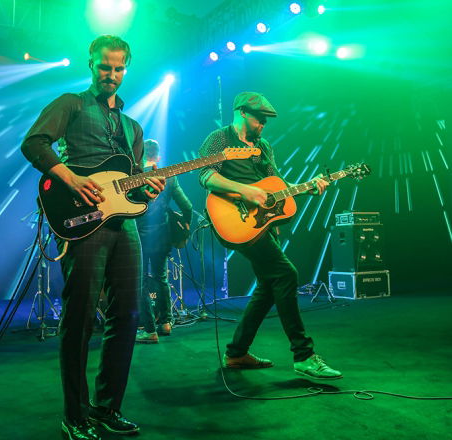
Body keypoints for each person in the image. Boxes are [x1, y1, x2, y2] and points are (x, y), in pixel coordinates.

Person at [21, 35, 166, 440]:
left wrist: (149, 189)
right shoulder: (71, 104)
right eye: (105, 66)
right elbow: (34, 143)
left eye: (119, 68)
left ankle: (108, 407)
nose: (111, 75)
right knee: (81, 316)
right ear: (91, 63)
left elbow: (132, 184)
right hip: (82, 220)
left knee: (128, 315)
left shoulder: (133, 126)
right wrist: (70, 177)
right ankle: (74, 415)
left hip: (123, 225)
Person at [197, 91, 342, 380]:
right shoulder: (220, 138)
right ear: (241, 112)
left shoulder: (263, 146)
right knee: (286, 274)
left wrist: (309, 186)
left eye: (266, 120)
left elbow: (277, 185)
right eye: (259, 118)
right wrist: (246, 191)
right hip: (234, 218)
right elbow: (206, 176)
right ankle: (304, 355)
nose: (263, 124)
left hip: (262, 224)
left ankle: (236, 353)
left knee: (267, 285)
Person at [135, 139, 193, 343]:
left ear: (141, 155)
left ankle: (150, 330)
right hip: (162, 236)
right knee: (161, 278)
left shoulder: (134, 177)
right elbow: (187, 206)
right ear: (158, 157)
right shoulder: (169, 176)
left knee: (141, 282)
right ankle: (166, 323)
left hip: (140, 236)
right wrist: (186, 225)